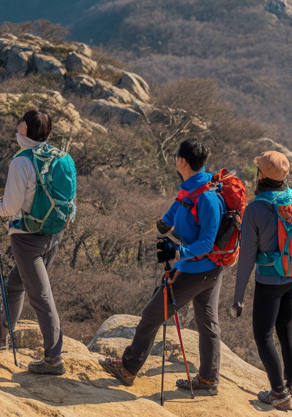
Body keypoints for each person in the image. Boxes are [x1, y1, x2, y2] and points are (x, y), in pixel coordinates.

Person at [100, 139, 224, 396]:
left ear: (182, 161)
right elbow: (178, 206)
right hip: (207, 270)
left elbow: (206, 243)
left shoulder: (208, 198)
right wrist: (166, 222)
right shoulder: (195, 186)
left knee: (151, 315)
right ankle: (208, 381)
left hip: (196, 269)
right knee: (208, 322)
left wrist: (177, 250)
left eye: (177, 156)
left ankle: (128, 368)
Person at [0, 109, 76, 375]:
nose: (17, 123)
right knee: (15, 285)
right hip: (54, 233)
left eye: (21, 121)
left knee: (41, 297)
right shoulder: (61, 156)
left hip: (27, 238)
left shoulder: (21, 162)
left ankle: (54, 359)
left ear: (25, 130)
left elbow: (10, 208)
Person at [231, 151, 292, 410]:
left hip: (270, 281)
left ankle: (279, 392)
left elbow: (247, 259)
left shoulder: (255, 208)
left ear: (261, 176)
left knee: (263, 335)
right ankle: (290, 386)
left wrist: (238, 296)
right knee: (287, 333)